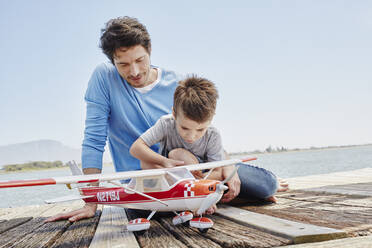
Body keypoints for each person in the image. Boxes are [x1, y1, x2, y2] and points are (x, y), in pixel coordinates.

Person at [46, 16, 286, 223]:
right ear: (112, 62)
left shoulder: (176, 84)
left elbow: (203, 133)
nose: (135, 71)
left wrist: (228, 167)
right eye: (123, 64)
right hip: (144, 182)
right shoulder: (103, 78)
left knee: (265, 186)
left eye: (140, 60)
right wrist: (91, 201)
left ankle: (220, 193)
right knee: (146, 208)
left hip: (193, 172)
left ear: (149, 50)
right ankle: (214, 198)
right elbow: (94, 140)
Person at [130, 76, 281, 214]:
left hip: (205, 176)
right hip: (173, 175)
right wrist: (164, 162)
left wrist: (200, 181)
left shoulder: (213, 135)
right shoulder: (166, 124)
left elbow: (218, 171)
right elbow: (136, 148)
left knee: (268, 186)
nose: (191, 136)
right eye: (184, 128)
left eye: (200, 129)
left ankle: (213, 197)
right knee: (167, 156)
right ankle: (205, 198)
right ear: (174, 114)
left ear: (211, 119)